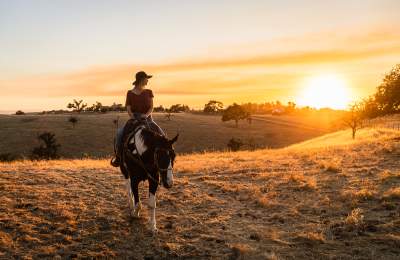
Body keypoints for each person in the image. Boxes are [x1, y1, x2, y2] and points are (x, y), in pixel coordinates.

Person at [110, 71, 165, 167]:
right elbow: (128, 109)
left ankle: (166, 157)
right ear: (142, 79)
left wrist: (146, 115)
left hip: (148, 119)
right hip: (134, 118)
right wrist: (133, 117)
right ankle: (118, 157)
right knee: (119, 133)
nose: (148, 80)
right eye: (146, 78)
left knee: (162, 135)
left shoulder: (149, 92)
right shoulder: (130, 93)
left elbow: (151, 107)